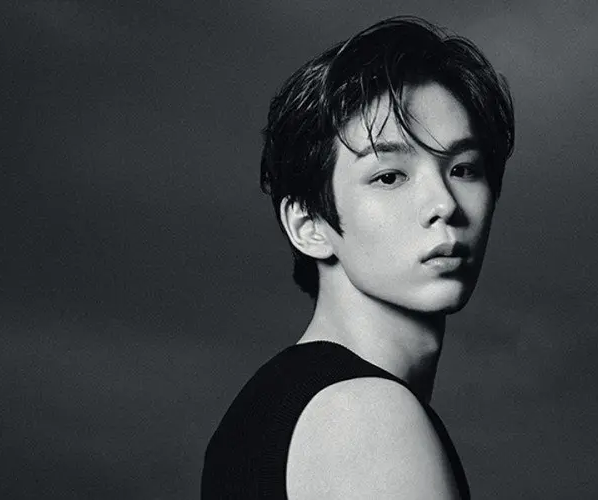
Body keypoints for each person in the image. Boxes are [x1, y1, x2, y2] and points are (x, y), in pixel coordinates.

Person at [202, 16, 515, 499]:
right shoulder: (364, 414)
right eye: (389, 176)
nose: (444, 205)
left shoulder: (265, 416)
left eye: (463, 169)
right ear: (308, 226)